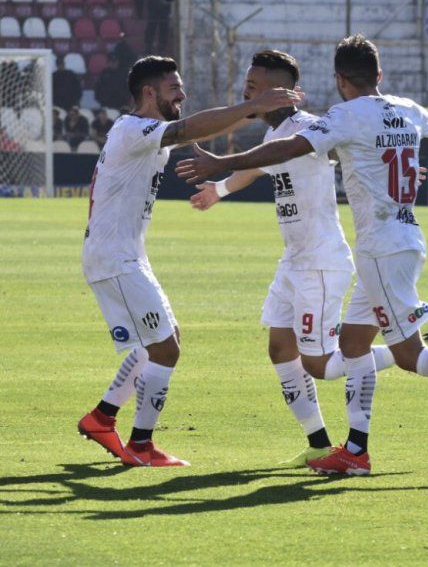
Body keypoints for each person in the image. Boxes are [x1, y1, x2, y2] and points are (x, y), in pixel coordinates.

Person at [176, 35, 428, 476]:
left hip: (382, 247)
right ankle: (356, 451)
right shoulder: (404, 108)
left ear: (340, 80)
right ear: (378, 74)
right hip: (393, 241)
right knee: (354, 344)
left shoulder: (344, 117)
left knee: (408, 354)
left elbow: (290, 147)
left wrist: (221, 163)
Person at [77, 56, 301, 467]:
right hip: (114, 257)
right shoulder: (133, 129)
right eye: (174, 88)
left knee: (164, 339)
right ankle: (140, 445)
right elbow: (188, 128)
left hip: (125, 254)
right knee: (165, 349)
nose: (182, 93)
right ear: (149, 92)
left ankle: (102, 418)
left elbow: (203, 127)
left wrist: (259, 110)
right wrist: (254, 105)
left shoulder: (146, 132)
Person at [187, 50, 406, 467]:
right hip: (294, 261)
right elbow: (257, 168)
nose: (246, 94)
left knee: (320, 364)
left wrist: (389, 167)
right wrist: (219, 190)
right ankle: (319, 443)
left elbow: (347, 148)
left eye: (253, 87)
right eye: (246, 86)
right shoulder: (275, 136)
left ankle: (402, 351)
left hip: (321, 262)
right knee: (280, 348)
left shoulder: (308, 128)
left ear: (279, 92)